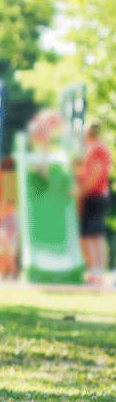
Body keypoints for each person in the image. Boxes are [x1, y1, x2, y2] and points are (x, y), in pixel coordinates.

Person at [77, 120, 112, 285]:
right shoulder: (96, 148)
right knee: (92, 235)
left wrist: (82, 191)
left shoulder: (97, 148)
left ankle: (95, 274)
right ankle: (96, 273)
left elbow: (95, 173)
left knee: (90, 236)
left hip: (95, 195)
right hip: (97, 195)